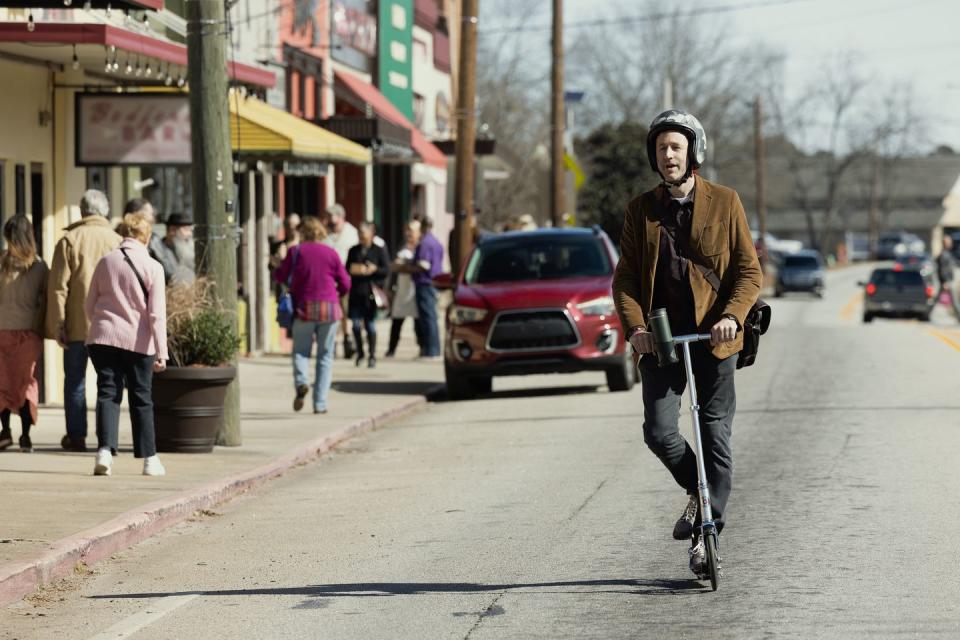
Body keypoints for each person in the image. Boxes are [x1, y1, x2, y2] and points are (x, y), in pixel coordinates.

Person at [611, 109, 762, 579]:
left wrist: (732, 318)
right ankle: (697, 491)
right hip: (662, 340)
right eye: (661, 148)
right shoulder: (641, 210)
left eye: (675, 146)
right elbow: (627, 280)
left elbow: (748, 271)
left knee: (714, 431)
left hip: (714, 338)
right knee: (659, 431)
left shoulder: (725, 201)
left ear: (693, 151)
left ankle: (708, 532)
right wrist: (636, 328)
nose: (668, 155)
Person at [85, 213, 168, 476]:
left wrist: (102, 323)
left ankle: (104, 452)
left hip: (103, 337)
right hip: (138, 341)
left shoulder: (105, 262)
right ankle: (149, 460)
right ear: (147, 236)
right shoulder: (153, 266)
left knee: (107, 393)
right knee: (141, 397)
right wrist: (161, 351)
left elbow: (89, 304)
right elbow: (156, 315)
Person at [46, 189, 122, 453]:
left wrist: (58, 325)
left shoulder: (69, 240)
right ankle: (107, 438)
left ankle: (76, 437)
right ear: (105, 211)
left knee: (75, 382)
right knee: (108, 383)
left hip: (77, 326)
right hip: (110, 327)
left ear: (81, 211)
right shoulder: (118, 241)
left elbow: (58, 288)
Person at [274, 216, 351, 414]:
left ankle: (301, 382)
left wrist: (278, 262)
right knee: (325, 356)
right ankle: (320, 404)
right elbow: (345, 283)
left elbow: (280, 276)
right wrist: (336, 294)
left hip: (304, 308)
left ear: (303, 233)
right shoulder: (331, 253)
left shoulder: (296, 251)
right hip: (330, 309)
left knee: (300, 351)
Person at [0, 216, 48, 452]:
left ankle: (5, 432)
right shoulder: (39, 266)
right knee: (26, 383)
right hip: (29, 334)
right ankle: (26, 436)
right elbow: (45, 300)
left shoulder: (1, 263)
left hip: (2, 330)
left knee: (3, 384)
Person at [346, 221, 389, 368]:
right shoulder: (354, 250)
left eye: (364, 233)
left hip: (370, 293)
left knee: (370, 325)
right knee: (356, 325)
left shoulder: (378, 250)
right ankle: (360, 353)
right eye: (359, 233)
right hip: (356, 291)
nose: (361, 236)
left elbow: (386, 269)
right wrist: (356, 269)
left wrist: (374, 269)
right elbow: (347, 268)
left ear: (371, 234)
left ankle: (372, 355)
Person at [322, 203, 360, 359]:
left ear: (341, 218)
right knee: (332, 314)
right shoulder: (326, 235)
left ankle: (347, 341)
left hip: (346, 279)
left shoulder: (351, 233)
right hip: (329, 281)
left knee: (345, 313)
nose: (331, 223)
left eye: (334, 220)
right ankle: (334, 343)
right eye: (329, 219)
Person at [409, 216, 444, 359]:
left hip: (424, 282)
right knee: (432, 317)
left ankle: (431, 349)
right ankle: (433, 348)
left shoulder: (424, 243)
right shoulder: (436, 242)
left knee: (428, 317)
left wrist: (408, 266)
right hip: (434, 282)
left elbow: (424, 264)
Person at [386, 220, 422, 357]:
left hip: (416, 292)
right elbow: (393, 268)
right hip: (402, 291)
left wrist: (404, 267)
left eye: (411, 231)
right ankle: (391, 349)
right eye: (407, 230)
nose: (409, 234)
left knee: (418, 324)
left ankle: (422, 347)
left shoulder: (421, 248)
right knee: (396, 322)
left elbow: (420, 268)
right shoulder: (402, 248)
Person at [123, 197, 166, 269]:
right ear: (137, 215)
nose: (153, 219)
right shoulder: (152, 238)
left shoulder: (115, 234)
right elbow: (165, 266)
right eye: (151, 214)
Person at [155, 212, 195, 286]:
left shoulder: (188, 250)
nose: (190, 234)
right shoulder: (157, 252)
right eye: (186, 229)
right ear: (172, 230)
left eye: (190, 230)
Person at [936, 235, 960, 319]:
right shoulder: (943, 255)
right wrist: (945, 281)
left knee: (937, 299)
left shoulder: (948, 253)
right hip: (947, 281)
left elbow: (954, 264)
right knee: (954, 301)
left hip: (949, 280)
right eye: (948, 242)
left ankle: (928, 312)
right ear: (944, 243)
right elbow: (942, 270)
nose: (950, 244)